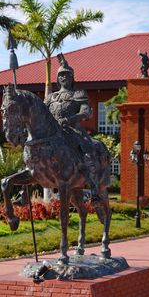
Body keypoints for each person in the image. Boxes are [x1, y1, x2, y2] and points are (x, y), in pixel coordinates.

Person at [44, 53, 100, 203]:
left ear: (72, 78)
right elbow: (42, 114)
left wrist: (69, 120)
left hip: (73, 131)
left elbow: (86, 112)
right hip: (52, 134)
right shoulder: (50, 97)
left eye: (67, 75)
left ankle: (94, 188)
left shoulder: (78, 94)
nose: (64, 78)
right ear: (57, 79)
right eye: (61, 76)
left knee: (87, 153)